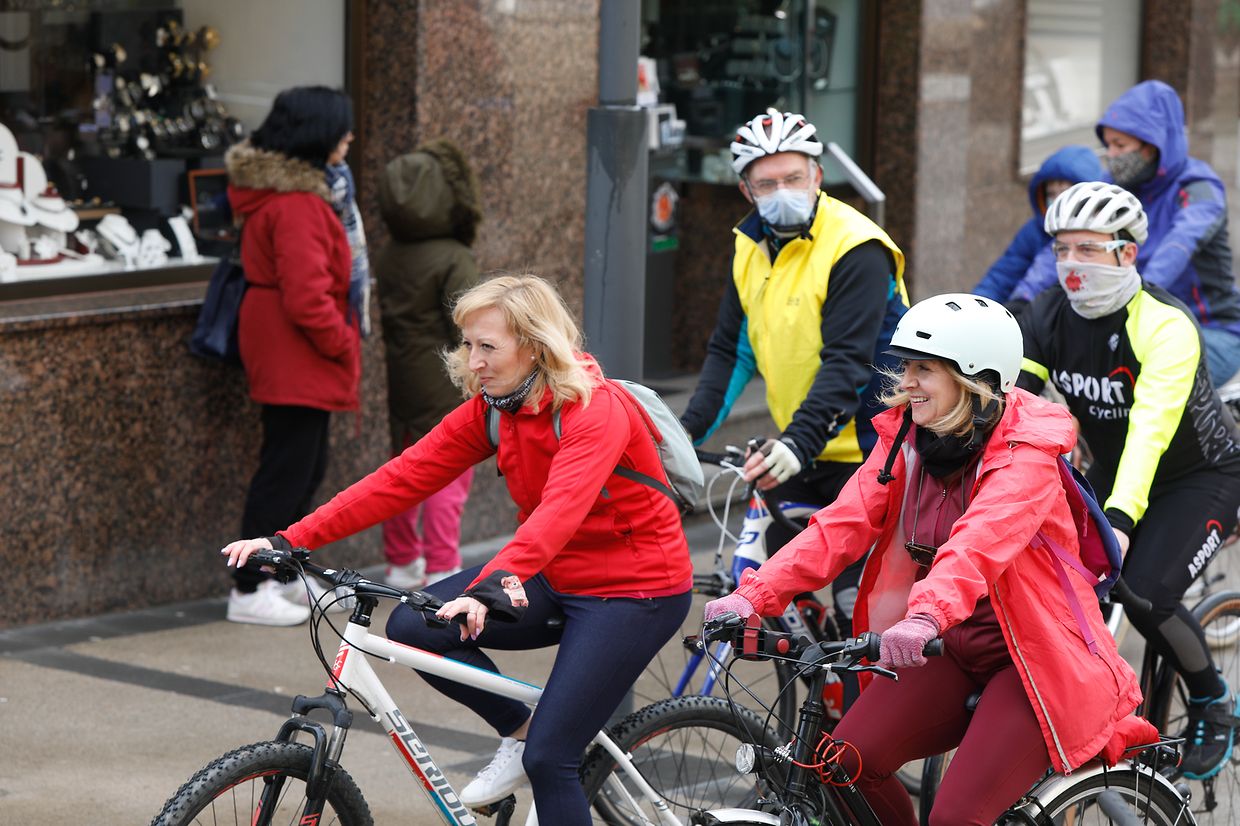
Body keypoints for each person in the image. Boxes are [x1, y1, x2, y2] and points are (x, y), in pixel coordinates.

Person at [221, 274, 693, 823]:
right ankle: (517, 731)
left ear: (536, 346)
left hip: (635, 591)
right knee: (415, 628)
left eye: (488, 347)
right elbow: (400, 478)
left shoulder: (594, 408)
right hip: (549, 577)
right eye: (469, 344)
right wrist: (288, 538)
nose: (473, 362)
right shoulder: (496, 408)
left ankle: (536, 748)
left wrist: (488, 589)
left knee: (553, 758)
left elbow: (558, 512)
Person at [704, 293, 1143, 826]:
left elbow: (977, 543)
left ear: (976, 379)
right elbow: (841, 525)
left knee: (955, 817)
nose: (906, 381)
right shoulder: (906, 443)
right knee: (841, 763)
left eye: (924, 369)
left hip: (1034, 661)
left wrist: (925, 614)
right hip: (950, 644)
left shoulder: (1026, 455)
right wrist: (753, 595)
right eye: (907, 366)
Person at [1018, 180, 1240, 779]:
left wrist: (1117, 522)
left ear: (1127, 253)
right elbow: (1013, 408)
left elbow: (1149, 430)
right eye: (1062, 249)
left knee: (1143, 593)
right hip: (1114, 479)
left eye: (1088, 249)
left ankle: (1212, 699)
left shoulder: (1166, 325)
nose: (1071, 266)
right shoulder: (1046, 316)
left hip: (1199, 479)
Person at [679, 107, 908, 644]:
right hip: (801, 451)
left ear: (818, 177)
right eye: (767, 182)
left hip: (872, 454)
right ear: (746, 190)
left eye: (794, 177)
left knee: (860, 621)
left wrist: (798, 441)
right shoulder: (747, 244)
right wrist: (684, 436)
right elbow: (730, 353)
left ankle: (860, 725)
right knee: (773, 598)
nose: (783, 190)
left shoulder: (858, 247)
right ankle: (814, 718)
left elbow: (848, 362)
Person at [223, 86, 360, 626]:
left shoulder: (289, 196)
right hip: (295, 348)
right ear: (317, 134)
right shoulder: (298, 204)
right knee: (287, 470)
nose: (349, 138)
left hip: (286, 344)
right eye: (342, 128)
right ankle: (248, 585)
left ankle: (283, 571)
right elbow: (309, 297)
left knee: (303, 465)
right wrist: (342, 341)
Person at [1011, 80, 1240, 386]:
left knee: (1134, 385)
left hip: (1209, 328)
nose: (1111, 155)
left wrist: (1133, 294)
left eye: (1121, 146)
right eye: (1107, 146)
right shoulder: (1114, 186)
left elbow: (1178, 248)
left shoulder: (1198, 187)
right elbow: (1065, 244)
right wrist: (1020, 302)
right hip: (1125, 318)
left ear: (1153, 144)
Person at [374, 139, 484, 589]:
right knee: (447, 474)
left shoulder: (389, 252)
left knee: (402, 468)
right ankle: (442, 565)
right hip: (444, 377)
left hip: (402, 374)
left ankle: (402, 563)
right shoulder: (453, 256)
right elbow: (468, 322)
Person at [972, 144, 1102, 303]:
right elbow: (1002, 276)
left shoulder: (1103, 232)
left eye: (1066, 192)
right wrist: (975, 306)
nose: (1057, 200)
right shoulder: (1034, 230)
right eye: (1051, 194)